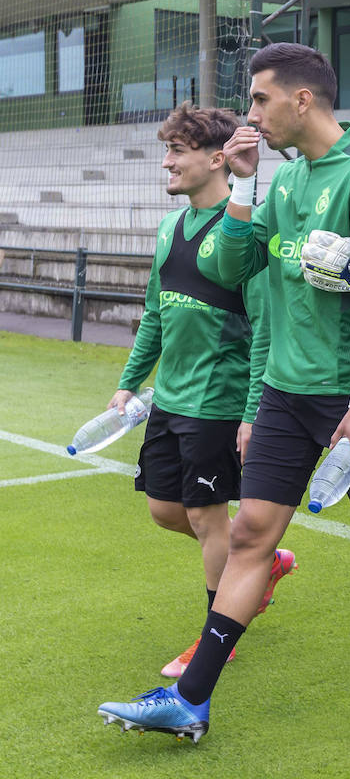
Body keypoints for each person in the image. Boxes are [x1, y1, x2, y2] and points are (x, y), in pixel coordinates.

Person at [98, 43, 350, 742]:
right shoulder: (283, 183)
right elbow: (229, 265)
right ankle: (191, 700)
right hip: (284, 391)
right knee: (252, 533)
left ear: (301, 100)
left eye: (258, 100)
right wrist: (247, 188)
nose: (249, 114)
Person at [110, 101, 289, 682]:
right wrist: (128, 383)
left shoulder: (246, 234)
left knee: (210, 519)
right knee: (165, 509)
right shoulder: (170, 227)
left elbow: (263, 328)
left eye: (176, 152)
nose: (166, 163)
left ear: (218, 160)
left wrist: (251, 414)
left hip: (218, 402)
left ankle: (217, 636)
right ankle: (257, 564)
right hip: (170, 399)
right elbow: (155, 316)